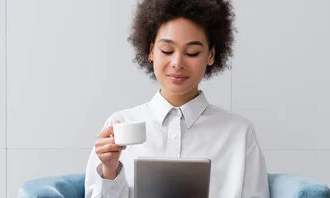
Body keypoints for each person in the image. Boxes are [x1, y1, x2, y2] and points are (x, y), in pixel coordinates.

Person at [84, 0, 270, 197]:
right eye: (167, 50)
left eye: (192, 52)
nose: (177, 63)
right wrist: (110, 171)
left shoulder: (239, 133)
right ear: (151, 51)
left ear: (211, 55)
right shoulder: (120, 125)